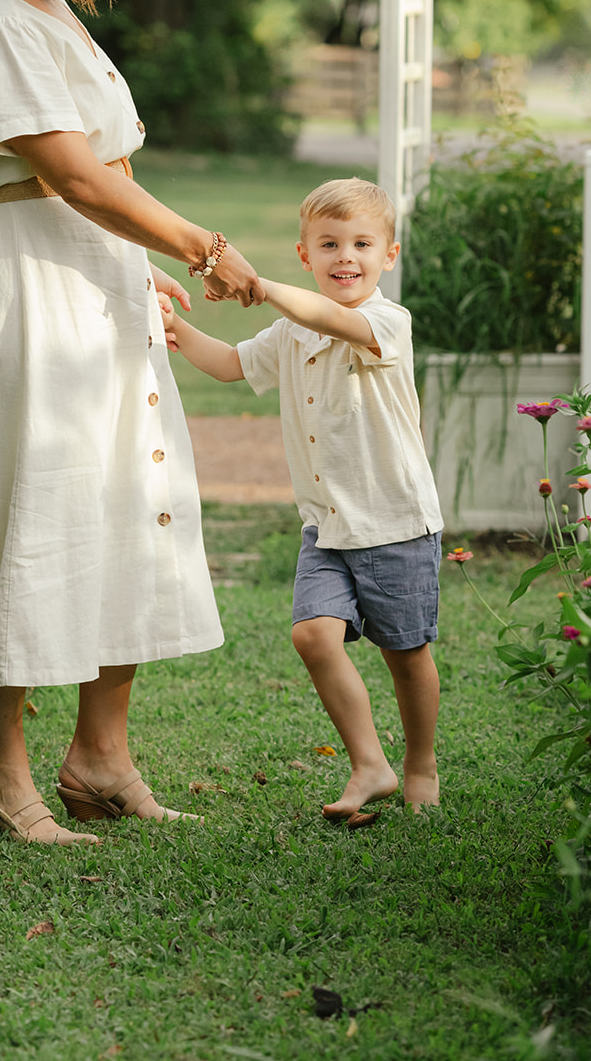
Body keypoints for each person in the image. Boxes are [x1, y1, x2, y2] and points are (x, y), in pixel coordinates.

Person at [0, 0, 264, 845]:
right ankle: (2, 778)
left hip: (87, 278)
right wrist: (197, 244)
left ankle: (99, 759)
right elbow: (68, 172)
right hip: (29, 282)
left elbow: (103, 171)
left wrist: (136, 268)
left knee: (125, 497)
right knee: (31, 505)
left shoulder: (46, 10)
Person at [158, 177, 443, 819]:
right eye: (330, 244)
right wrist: (176, 329)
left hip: (394, 521)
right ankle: (370, 765)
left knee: (406, 654)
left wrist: (261, 289)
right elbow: (232, 363)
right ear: (305, 255)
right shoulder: (291, 335)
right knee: (314, 636)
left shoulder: (383, 321)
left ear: (389, 256)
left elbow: (330, 318)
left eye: (363, 244)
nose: (347, 257)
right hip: (326, 527)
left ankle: (419, 763)